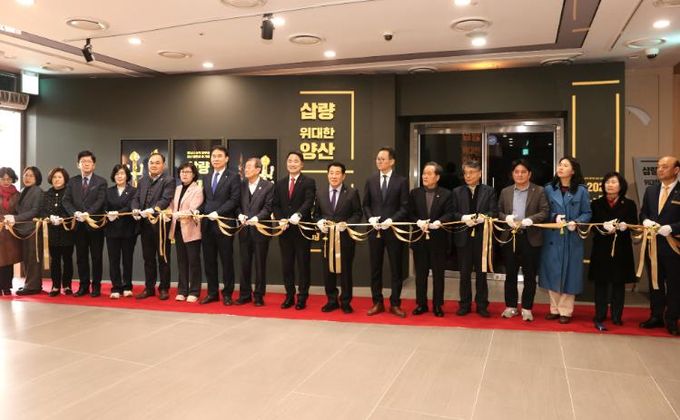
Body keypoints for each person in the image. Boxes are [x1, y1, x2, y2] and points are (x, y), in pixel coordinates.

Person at [539, 156, 592, 324]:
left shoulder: (581, 190)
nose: (561, 168)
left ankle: (566, 311)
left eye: (565, 165)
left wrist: (577, 222)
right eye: (560, 165)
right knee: (552, 272)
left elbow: (587, 212)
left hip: (572, 237)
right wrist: (554, 217)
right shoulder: (548, 189)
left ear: (573, 171)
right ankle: (554, 309)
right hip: (552, 237)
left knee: (570, 274)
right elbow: (543, 210)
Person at [497, 159, 549, 321]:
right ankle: (511, 306)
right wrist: (506, 218)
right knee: (510, 274)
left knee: (529, 275)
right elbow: (498, 211)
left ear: (529, 174)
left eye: (523, 172)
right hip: (510, 237)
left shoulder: (539, 191)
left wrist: (531, 219)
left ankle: (527, 308)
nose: (519, 175)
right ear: (512, 174)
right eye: (516, 172)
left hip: (530, 237)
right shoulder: (505, 191)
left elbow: (545, 211)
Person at [363, 147, 409, 318]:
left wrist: (392, 220)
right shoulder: (371, 180)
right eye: (378, 159)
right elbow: (366, 204)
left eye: (382, 159)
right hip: (375, 230)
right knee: (375, 267)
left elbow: (405, 207)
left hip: (394, 230)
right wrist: (370, 219)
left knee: (396, 268)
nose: (379, 161)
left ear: (392, 161)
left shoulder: (401, 181)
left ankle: (395, 303)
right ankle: (377, 302)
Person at [589, 172, 638, 331]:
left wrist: (625, 226)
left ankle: (617, 316)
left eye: (614, 182)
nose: (610, 185)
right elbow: (592, 225)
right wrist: (603, 227)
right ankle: (600, 314)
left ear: (621, 185)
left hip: (621, 248)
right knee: (601, 283)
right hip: (601, 248)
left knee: (618, 283)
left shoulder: (629, 204)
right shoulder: (596, 203)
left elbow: (634, 224)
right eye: (607, 182)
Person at [639, 156, 680, 336]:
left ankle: (672, 318)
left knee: (674, 284)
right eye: (658, 166)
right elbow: (643, 213)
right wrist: (645, 221)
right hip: (653, 245)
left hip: (674, 246)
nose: (660, 170)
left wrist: (672, 228)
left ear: (676, 170)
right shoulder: (651, 190)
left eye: (665, 166)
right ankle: (656, 315)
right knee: (655, 283)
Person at [314, 161, 363, 313]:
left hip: (345, 239)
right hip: (327, 239)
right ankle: (331, 300)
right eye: (331, 173)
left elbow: (358, 213)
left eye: (337, 173)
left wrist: (347, 224)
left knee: (345, 271)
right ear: (327, 175)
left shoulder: (352, 193)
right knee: (328, 271)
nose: (334, 176)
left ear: (343, 176)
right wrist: (319, 222)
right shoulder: (320, 193)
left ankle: (346, 301)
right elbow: (316, 214)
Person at [452, 159, 498, 317]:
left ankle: (482, 305)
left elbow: (494, 212)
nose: (468, 176)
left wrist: (483, 217)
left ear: (480, 174)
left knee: (481, 274)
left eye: (471, 173)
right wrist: (463, 217)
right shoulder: (457, 192)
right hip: (463, 238)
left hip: (482, 238)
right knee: (464, 274)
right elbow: (452, 213)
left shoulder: (489, 191)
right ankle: (464, 304)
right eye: (465, 173)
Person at [408, 162, 454, 317]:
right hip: (419, 239)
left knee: (438, 275)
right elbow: (409, 213)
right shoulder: (415, 193)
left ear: (437, 177)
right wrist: (417, 222)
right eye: (423, 173)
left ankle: (437, 305)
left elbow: (450, 213)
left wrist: (440, 221)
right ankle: (421, 304)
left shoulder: (446, 194)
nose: (425, 176)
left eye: (429, 174)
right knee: (420, 275)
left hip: (438, 240)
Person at [272, 151, 316, 310]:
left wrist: (298, 214)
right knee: (287, 265)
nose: (292, 163)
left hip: (302, 230)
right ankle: (289, 296)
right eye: (289, 160)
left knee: (303, 265)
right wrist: (280, 219)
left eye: (296, 161)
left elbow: (309, 201)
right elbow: (275, 204)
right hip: (285, 230)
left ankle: (302, 297)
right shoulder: (280, 183)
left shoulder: (309, 182)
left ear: (302, 164)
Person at [131, 152, 175, 300]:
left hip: (161, 226)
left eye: (157, 162)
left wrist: (153, 209)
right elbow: (136, 198)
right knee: (148, 258)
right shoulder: (143, 180)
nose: (154, 165)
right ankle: (149, 288)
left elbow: (166, 199)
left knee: (163, 258)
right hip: (144, 226)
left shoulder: (169, 180)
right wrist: (135, 209)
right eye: (151, 162)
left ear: (163, 165)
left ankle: (164, 288)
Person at [62, 150, 107, 297]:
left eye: (89, 161)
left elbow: (100, 201)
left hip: (95, 225)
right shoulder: (72, 181)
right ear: (78, 165)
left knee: (96, 257)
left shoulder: (101, 181)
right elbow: (66, 200)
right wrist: (75, 213)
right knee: (81, 257)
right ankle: (83, 286)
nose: (86, 164)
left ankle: (96, 287)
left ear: (94, 165)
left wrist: (88, 213)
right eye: (83, 162)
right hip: (78, 226)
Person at [200, 145, 240, 305]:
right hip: (207, 225)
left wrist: (219, 212)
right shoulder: (207, 176)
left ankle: (227, 294)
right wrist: (197, 210)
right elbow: (206, 200)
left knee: (226, 261)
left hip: (224, 224)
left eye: (219, 156)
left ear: (226, 159)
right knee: (209, 261)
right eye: (213, 156)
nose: (215, 159)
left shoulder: (233, 177)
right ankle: (212, 293)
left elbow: (234, 200)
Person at [236, 157, 274, 306]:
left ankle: (258, 295)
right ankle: (244, 294)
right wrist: (239, 214)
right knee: (244, 265)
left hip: (260, 231)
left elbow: (268, 207)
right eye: (245, 167)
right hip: (244, 231)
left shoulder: (268, 186)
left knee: (260, 265)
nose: (246, 169)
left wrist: (257, 218)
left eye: (249, 167)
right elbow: (236, 204)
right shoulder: (241, 185)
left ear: (258, 169)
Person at [169, 162, 204, 303]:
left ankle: (194, 291)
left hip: (191, 229)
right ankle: (182, 290)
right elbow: (171, 206)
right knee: (181, 261)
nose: (184, 174)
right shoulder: (177, 189)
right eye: (182, 172)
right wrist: (168, 213)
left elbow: (193, 209)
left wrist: (178, 214)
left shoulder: (198, 189)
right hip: (178, 229)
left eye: (188, 172)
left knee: (193, 261)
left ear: (194, 174)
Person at [104, 164, 138, 299]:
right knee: (114, 260)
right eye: (117, 174)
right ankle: (116, 287)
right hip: (111, 230)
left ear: (127, 176)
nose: (119, 176)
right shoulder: (108, 191)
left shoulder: (133, 191)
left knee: (127, 260)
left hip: (128, 230)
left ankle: (127, 286)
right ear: (114, 176)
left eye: (122, 173)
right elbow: (104, 206)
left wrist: (117, 213)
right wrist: (108, 213)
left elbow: (131, 206)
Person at [41, 167, 75, 297]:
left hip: (67, 231)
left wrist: (62, 218)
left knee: (67, 259)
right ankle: (55, 286)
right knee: (55, 260)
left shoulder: (69, 193)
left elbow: (72, 209)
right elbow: (42, 211)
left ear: (65, 179)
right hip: (52, 231)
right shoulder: (46, 194)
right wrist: (50, 217)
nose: (57, 179)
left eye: (60, 177)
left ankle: (67, 285)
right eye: (55, 177)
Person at [13, 167, 44, 295]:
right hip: (23, 230)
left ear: (37, 178)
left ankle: (33, 287)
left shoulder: (38, 191)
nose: (27, 178)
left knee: (33, 258)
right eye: (26, 175)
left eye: (31, 175)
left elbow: (35, 211)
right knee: (26, 258)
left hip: (33, 230)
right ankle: (29, 284)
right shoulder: (23, 190)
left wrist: (15, 218)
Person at [0, 167, 21, 296]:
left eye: (9, 179)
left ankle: (7, 286)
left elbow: (20, 211)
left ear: (13, 179)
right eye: (3, 179)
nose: (6, 181)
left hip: (11, 230)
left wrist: (13, 218)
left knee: (9, 259)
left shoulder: (17, 194)